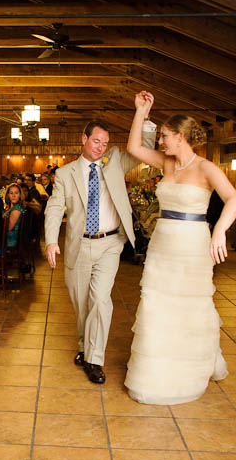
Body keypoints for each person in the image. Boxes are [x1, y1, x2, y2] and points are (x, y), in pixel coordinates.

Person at [124, 91, 236, 405]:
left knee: (189, 306)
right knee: (157, 303)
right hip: (163, 242)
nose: (160, 141)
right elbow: (133, 147)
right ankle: (155, 369)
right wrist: (140, 110)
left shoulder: (205, 168)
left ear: (179, 136)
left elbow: (234, 199)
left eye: (163, 136)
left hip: (193, 244)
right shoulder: (166, 164)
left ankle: (190, 366)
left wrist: (219, 232)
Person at [44, 119, 154, 384]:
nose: (101, 148)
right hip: (78, 245)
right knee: (81, 304)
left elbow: (145, 148)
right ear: (84, 139)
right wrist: (50, 240)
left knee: (100, 300)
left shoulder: (114, 161)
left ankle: (94, 359)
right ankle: (85, 346)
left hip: (110, 243)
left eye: (105, 143)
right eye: (96, 141)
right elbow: (55, 207)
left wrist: (145, 117)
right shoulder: (64, 174)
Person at [3, 183, 26, 249]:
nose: (13, 195)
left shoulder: (17, 209)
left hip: (9, 242)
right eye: (11, 193)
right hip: (7, 239)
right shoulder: (12, 207)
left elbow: (7, 229)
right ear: (8, 195)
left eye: (16, 193)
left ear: (20, 195)